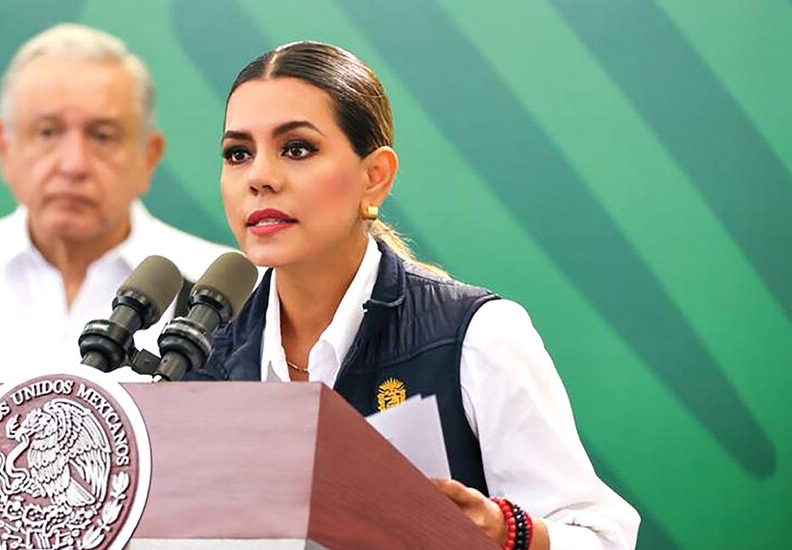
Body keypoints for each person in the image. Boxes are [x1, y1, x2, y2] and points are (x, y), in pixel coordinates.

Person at [188, 41, 640, 549]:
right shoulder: (197, 351)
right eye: (238, 154)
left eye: (296, 149)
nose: (260, 178)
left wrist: (504, 532)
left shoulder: (475, 336)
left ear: (374, 177)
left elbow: (604, 540)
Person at [0, 24, 231, 384]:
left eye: (102, 136)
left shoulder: (215, 297)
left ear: (148, 156)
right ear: (4, 147)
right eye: (47, 133)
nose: (73, 164)